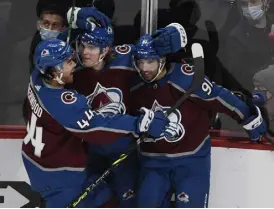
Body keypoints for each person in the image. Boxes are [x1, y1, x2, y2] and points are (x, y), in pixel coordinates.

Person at [22, 38, 175, 207]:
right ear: (55, 71)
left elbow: (45, 55)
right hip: (60, 177)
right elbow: (97, 126)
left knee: (108, 200)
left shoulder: (36, 77)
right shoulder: (62, 104)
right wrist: (140, 123)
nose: (74, 64)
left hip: (40, 164)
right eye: (68, 62)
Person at [62, 7, 188, 207]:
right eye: (83, 45)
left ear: (106, 50)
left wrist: (171, 37)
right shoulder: (70, 67)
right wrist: (73, 16)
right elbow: (45, 67)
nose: (85, 52)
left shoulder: (126, 57)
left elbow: (157, 54)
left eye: (92, 47)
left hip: (123, 150)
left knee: (129, 200)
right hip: (89, 150)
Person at [130, 34, 267, 207]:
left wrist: (248, 117)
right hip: (153, 161)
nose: (144, 68)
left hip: (190, 161)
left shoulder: (185, 79)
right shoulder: (135, 85)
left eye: (150, 61)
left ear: (162, 59)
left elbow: (220, 97)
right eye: (140, 62)